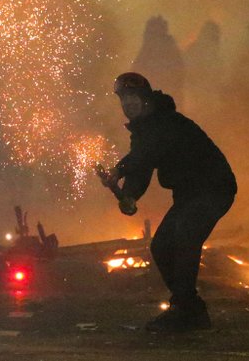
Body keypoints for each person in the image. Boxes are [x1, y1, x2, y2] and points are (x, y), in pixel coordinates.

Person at [99, 72, 237, 332]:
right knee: (161, 246)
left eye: (133, 97)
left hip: (213, 188)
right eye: (124, 98)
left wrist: (119, 169)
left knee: (185, 235)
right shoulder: (143, 131)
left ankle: (183, 310)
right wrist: (129, 195)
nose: (128, 103)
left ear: (146, 99)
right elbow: (142, 167)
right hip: (188, 195)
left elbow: (146, 153)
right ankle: (190, 309)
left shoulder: (165, 121)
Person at [132, 16, 185, 107]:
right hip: (153, 97)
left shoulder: (168, 48)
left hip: (166, 95)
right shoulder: (148, 49)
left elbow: (179, 72)